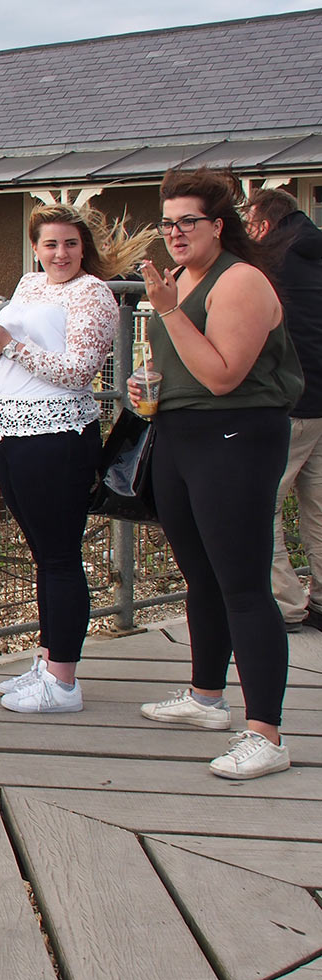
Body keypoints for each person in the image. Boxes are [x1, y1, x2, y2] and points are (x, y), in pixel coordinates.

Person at [130, 167, 303, 779]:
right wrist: (146, 385)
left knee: (244, 586)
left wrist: (170, 313)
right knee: (199, 574)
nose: (174, 233)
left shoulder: (242, 281)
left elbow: (225, 374)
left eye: (187, 222)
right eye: (167, 223)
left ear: (218, 226)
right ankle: (207, 698)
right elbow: (179, 362)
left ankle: (267, 734)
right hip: (180, 432)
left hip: (237, 436)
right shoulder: (180, 279)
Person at [0, 204, 154, 714]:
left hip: (59, 434)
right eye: (51, 244)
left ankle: (65, 682)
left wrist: (10, 345)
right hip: (12, 428)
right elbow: (2, 357)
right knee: (42, 553)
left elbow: (80, 371)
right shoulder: (28, 285)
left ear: (85, 248)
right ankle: (51, 660)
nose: (60, 254)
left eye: (70, 244)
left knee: (59, 556)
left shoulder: (94, 293)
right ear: (35, 247)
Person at [246, 189, 322, 632]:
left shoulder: (270, 263)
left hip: (290, 401)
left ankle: (285, 604)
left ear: (263, 223)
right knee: (318, 507)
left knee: (263, 505)